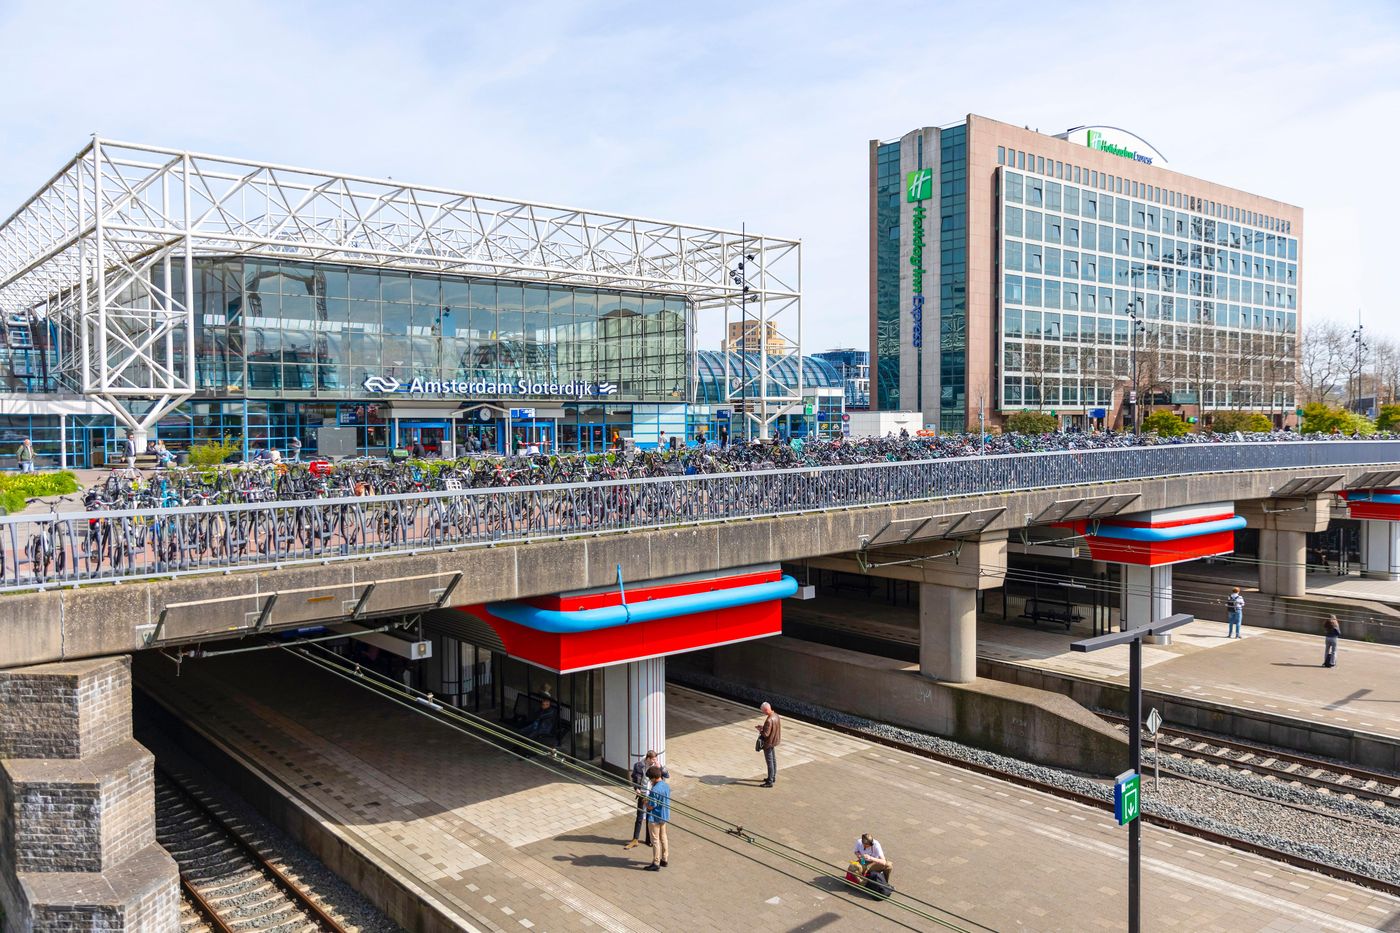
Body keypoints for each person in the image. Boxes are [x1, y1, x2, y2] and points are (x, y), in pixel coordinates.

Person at [624, 750, 668, 849]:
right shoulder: (639, 765)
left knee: (649, 818)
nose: (654, 761)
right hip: (642, 794)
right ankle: (635, 839)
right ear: (648, 758)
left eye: (655, 759)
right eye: (653, 759)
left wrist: (660, 766)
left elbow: (666, 775)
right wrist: (637, 789)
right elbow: (634, 778)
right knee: (639, 817)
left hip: (651, 794)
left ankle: (649, 840)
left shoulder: (656, 766)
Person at [643, 765, 670, 870]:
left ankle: (656, 862)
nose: (650, 781)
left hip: (655, 817)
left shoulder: (655, 790)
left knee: (655, 840)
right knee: (663, 837)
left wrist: (645, 801)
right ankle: (665, 858)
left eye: (650, 779)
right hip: (664, 815)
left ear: (654, 778)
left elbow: (650, 807)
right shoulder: (665, 785)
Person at [756, 701, 781, 787]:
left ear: (766, 709)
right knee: (773, 760)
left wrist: (760, 730)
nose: (763, 712)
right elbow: (772, 729)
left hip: (768, 743)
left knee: (769, 762)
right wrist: (764, 728)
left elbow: (766, 734)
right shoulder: (776, 716)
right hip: (774, 741)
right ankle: (772, 777)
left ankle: (769, 781)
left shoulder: (769, 720)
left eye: (763, 711)